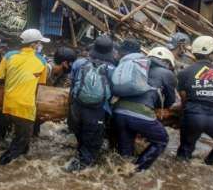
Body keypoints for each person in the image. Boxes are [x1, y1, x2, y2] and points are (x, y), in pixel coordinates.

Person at [112, 40, 177, 171]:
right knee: (161, 140)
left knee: (126, 154)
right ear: (168, 63)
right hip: (140, 114)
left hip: (119, 112)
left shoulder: (139, 67)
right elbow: (170, 102)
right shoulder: (168, 74)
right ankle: (136, 171)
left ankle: (120, 173)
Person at [0, 29, 49, 165]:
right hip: (25, 108)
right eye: (40, 43)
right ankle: (0, 165)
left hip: (7, 105)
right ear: (34, 44)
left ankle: (15, 163)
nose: (41, 45)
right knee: (20, 143)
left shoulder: (9, 56)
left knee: (18, 138)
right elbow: (40, 84)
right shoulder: (42, 62)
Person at [176, 36, 213, 165]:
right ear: (212, 54)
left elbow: (183, 97)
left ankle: (180, 170)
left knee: (185, 149)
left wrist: (185, 115)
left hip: (194, 116)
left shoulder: (185, 72)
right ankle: (206, 164)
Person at [64, 35, 116, 172]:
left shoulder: (79, 63)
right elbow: (112, 92)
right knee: (91, 147)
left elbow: (72, 84)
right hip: (96, 112)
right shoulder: (112, 69)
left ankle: (76, 163)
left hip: (76, 108)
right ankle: (79, 175)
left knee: (80, 138)